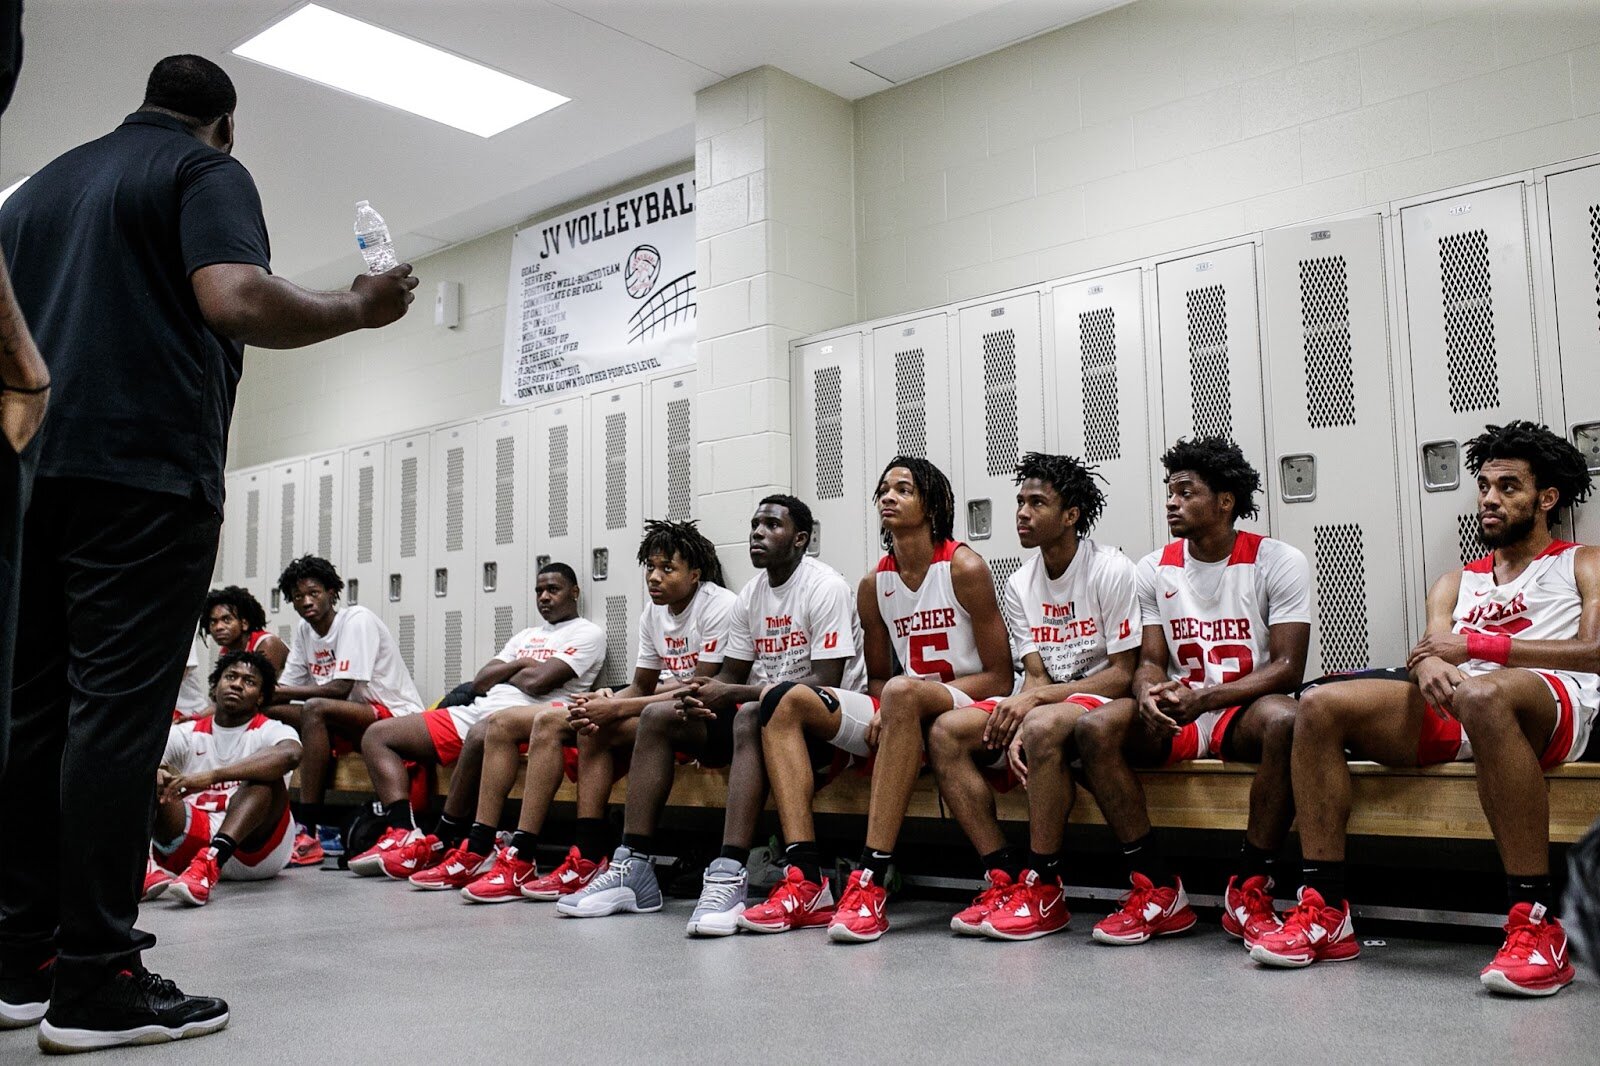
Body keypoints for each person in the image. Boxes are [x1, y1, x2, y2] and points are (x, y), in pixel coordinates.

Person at [0, 54, 416, 1051]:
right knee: (114, 719)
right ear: (221, 123)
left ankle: (19, 958)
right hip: (141, 471)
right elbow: (232, 297)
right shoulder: (201, 171)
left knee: (32, 714)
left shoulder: (38, 190)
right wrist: (360, 307)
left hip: (29, 473)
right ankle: (97, 978)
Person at [1255, 421, 1596, 997]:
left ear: (1547, 499)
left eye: (1508, 487)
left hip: (1552, 700)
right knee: (1317, 705)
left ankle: (1536, 923)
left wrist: (1480, 648)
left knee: (1486, 693)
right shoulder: (1455, 581)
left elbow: (1594, 652)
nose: (1489, 499)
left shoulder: (1581, 561)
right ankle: (1325, 909)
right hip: (1466, 702)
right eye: (1484, 486)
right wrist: (1426, 665)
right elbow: (1434, 647)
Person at [576, 496, 865, 935]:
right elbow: (728, 674)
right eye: (754, 524)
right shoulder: (752, 595)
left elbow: (826, 682)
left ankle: (728, 872)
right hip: (761, 711)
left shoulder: (825, 586)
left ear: (801, 539)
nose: (757, 533)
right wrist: (698, 699)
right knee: (661, 717)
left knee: (751, 712)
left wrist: (728, 691)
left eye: (772, 525)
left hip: (823, 720)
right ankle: (633, 864)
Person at [753, 457, 1013, 943]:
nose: (888, 498)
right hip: (904, 704)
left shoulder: (965, 567)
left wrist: (903, 699)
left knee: (901, 691)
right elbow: (876, 681)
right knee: (780, 700)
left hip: (973, 704)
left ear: (931, 505)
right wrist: (888, 711)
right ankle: (806, 877)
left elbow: (999, 677)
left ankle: (869, 879)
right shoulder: (874, 585)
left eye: (903, 490)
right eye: (883, 490)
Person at [1073, 437, 1309, 949]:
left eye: (1185, 491)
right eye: (1169, 491)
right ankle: (1157, 888)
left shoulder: (1277, 559)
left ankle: (1250, 886)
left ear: (1225, 502)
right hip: (1178, 710)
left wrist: (1204, 700)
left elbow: (1289, 668)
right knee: (1092, 729)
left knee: (1288, 721)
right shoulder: (1154, 567)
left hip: (1238, 709)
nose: (1171, 502)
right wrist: (1146, 693)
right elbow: (1152, 660)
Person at [457, 521, 733, 907]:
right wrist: (607, 699)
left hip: (706, 718)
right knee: (568, 720)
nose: (654, 577)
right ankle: (544, 854)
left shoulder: (718, 605)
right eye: (650, 568)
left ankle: (591, 854)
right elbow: (643, 686)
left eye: (666, 569)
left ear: (695, 574)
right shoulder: (653, 614)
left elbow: (697, 688)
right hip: (659, 706)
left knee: (602, 720)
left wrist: (616, 705)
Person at [930, 453, 1140, 941]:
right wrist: (1027, 707)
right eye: (1020, 502)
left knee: (1042, 724)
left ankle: (1044, 885)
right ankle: (1002, 876)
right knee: (946, 733)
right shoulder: (1020, 583)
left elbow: (1122, 675)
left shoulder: (1110, 569)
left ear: (1070, 515)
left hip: (1103, 698)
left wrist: (1033, 707)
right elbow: (1036, 673)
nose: (1022, 512)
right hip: (1054, 700)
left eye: (1037, 503)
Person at [351, 563, 605, 880]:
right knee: (378, 735)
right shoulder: (526, 636)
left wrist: (513, 670)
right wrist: (523, 662)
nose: (544, 597)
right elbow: (481, 681)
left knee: (484, 729)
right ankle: (404, 830)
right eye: (539, 590)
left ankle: (445, 838)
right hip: (481, 709)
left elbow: (540, 682)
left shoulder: (588, 633)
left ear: (574, 592)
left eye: (553, 589)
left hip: (532, 719)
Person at [266, 554, 424, 863]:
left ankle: (307, 829)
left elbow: (341, 689)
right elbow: (286, 689)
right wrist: (264, 697)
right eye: (298, 597)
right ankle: (275, 818)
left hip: (393, 714)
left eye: (314, 592)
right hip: (346, 717)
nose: (307, 601)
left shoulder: (356, 620)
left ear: (332, 593)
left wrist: (277, 692)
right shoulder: (304, 631)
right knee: (269, 713)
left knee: (314, 709)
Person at [143, 652, 301, 908]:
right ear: (215, 686)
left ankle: (212, 859)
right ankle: (142, 868)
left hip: (253, 849)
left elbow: (292, 754)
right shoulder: (187, 732)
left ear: (261, 697)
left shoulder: (271, 729)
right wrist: (158, 771)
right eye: (231, 677)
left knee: (265, 780)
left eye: (249, 681)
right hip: (192, 843)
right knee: (144, 773)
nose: (237, 684)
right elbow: (146, 759)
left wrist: (212, 776)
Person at [200, 585, 290, 674]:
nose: (218, 627)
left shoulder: (268, 643)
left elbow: (261, 686)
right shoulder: (225, 651)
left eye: (226, 620)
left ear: (244, 624)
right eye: (213, 622)